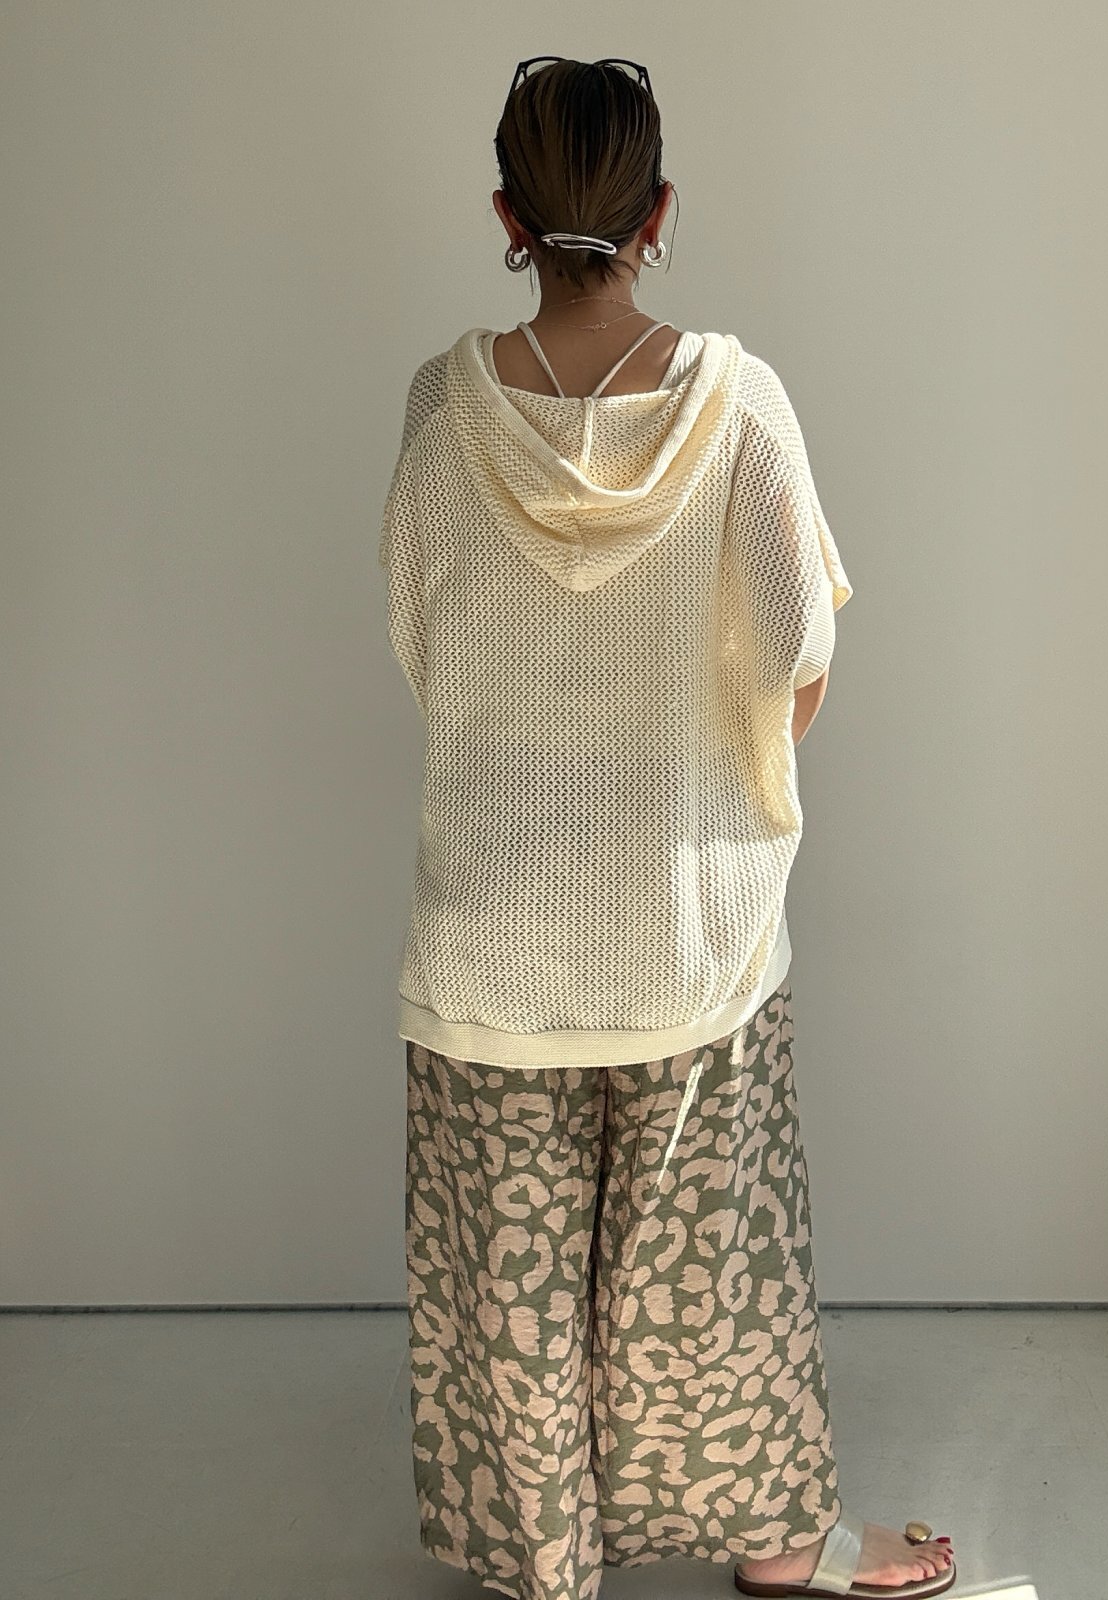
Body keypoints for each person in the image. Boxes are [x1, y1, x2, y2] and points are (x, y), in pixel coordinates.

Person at [379, 54, 956, 1600]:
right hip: (690, 934)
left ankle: (542, 1562)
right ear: (661, 213)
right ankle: (776, 1541)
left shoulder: (443, 409)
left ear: (507, 215)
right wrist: (697, 766)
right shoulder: (739, 405)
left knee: (509, 1292)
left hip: (491, 934)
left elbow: (424, 645)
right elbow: (799, 660)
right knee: (706, 1270)